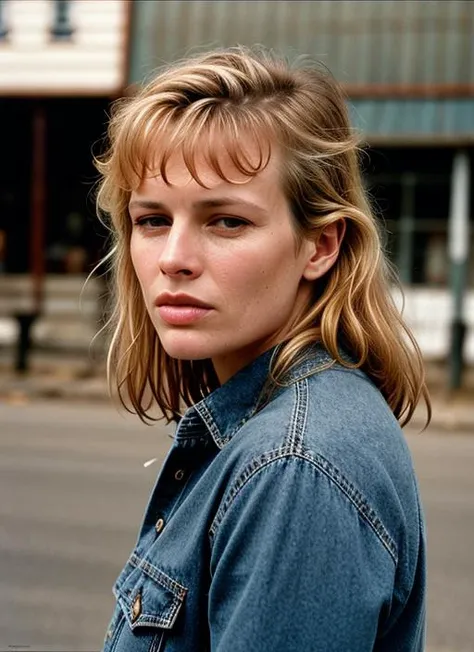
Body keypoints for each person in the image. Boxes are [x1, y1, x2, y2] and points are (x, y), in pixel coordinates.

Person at [95, 46, 430, 652]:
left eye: (226, 221)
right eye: (151, 220)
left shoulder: (295, 468)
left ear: (320, 246)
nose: (173, 258)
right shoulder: (287, 426)